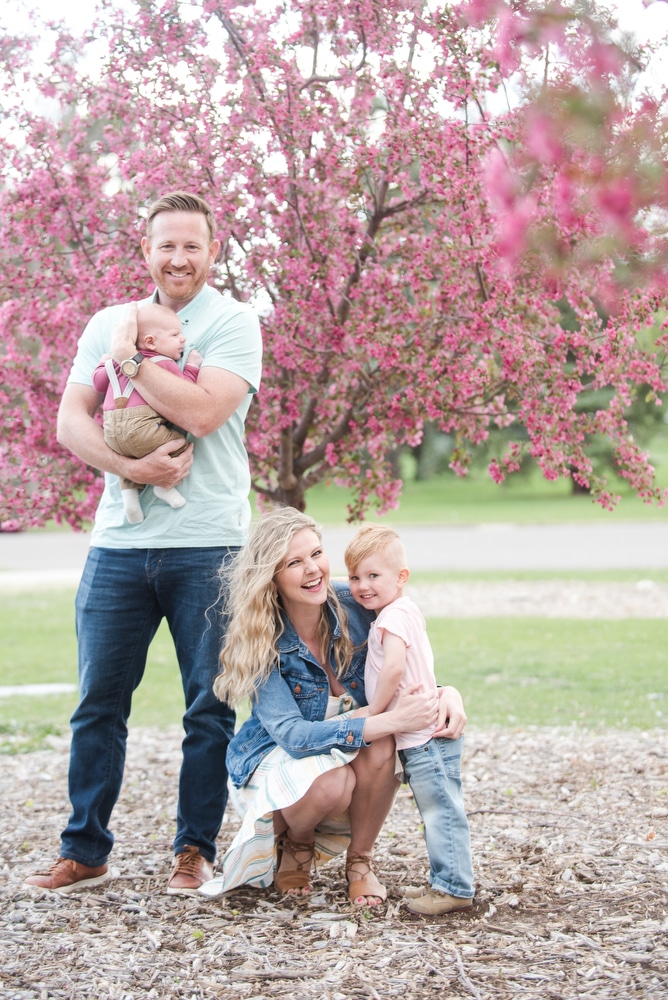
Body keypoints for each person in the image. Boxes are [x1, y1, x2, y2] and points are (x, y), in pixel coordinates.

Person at [23, 191, 262, 895]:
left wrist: (130, 364)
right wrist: (130, 468)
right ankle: (85, 849)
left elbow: (203, 409)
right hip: (119, 545)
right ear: (146, 251)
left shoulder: (233, 322)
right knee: (98, 701)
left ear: (214, 252)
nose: (179, 258)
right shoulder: (107, 321)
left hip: (209, 544)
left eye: (193, 245)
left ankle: (195, 851)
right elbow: (71, 421)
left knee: (208, 706)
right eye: (167, 246)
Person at [198, 507, 467, 906]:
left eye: (317, 554)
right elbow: (292, 736)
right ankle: (297, 843)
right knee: (331, 781)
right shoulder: (261, 637)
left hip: (347, 745)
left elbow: (403, 657)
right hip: (278, 754)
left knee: (383, 745)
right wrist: (380, 718)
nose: (313, 570)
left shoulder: (353, 602)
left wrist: (446, 692)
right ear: (271, 576)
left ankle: (360, 861)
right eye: (294, 562)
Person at [344, 523, 474, 916]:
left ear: (401, 577)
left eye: (373, 575)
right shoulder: (404, 610)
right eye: (355, 577)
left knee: (440, 812)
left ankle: (454, 887)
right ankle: (446, 879)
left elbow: (394, 669)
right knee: (439, 809)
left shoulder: (389, 619)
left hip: (424, 734)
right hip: (426, 732)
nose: (363, 585)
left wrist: (377, 711)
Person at [92, 302, 202, 524]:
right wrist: (192, 366)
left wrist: (102, 365)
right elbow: (184, 391)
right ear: (151, 342)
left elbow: (98, 383)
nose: (183, 339)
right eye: (175, 334)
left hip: (111, 433)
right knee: (180, 442)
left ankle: (129, 497)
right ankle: (164, 487)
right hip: (142, 427)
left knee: (129, 454)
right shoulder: (163, 362)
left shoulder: (115, 362)